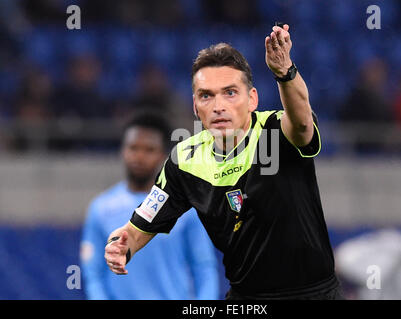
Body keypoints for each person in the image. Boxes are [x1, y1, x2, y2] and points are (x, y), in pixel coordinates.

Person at [104, 24, 343, 300]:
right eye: (207, 95)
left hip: (315, 294)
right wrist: (122, 247)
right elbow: (137, 229)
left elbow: (302, 125)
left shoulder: (276, 130)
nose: (218, 106)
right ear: (195, 106)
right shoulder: (184, 161)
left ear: (252, 99)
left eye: (230, 93)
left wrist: (284, 73)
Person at [81, 111, 219, 300]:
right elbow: (93, 274)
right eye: (133, 148)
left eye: (149, 149)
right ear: (123, 150)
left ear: (162, 155)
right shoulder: (101, 208)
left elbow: (204, 267)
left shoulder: (186, 209)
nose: (139, 156)